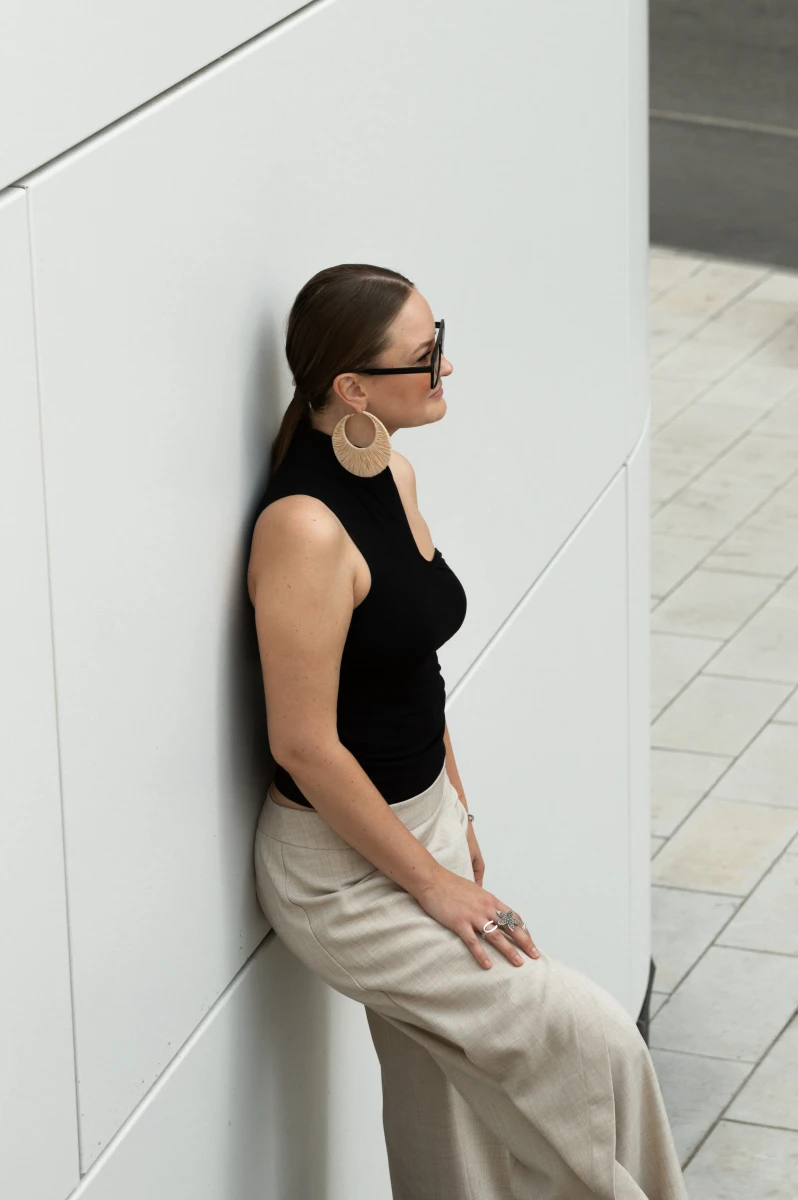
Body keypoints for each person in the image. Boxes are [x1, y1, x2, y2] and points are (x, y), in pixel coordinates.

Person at [247, 263, 687, 1200]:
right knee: (595, 1039)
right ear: (352, 387)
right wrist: (434, 881)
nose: (445, 366)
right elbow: (303, 744)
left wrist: (456, 807)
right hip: (339, 877)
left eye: (437, 340)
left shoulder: (392, 471)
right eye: (425, 355)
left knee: (443, 1116)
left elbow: (412, 663)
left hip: (425, 826)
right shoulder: (304, 528)